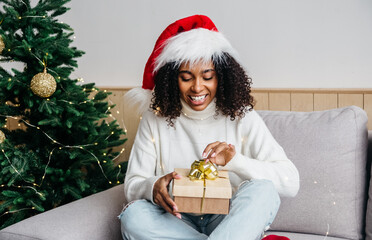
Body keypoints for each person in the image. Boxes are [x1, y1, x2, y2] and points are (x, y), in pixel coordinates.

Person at [119, 15, 299, 240]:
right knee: (133, 216)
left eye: (207, 77)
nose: (197, 87)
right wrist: (153, 186)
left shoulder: (242, 116)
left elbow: (290, 182)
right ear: (172, 79)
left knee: (264, 191)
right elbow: (133, 184)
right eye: (186, 78)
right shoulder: (154, 119)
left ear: (221, 77)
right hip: (176, 220)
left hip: (228, 217)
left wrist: (235, 161)